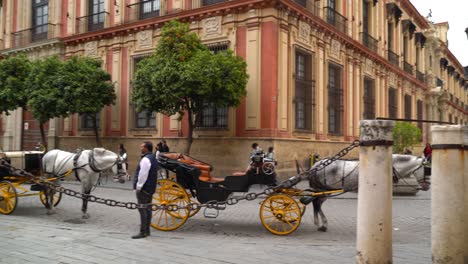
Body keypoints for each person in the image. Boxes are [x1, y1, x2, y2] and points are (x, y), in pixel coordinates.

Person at [132, 141, 158, 239]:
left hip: (144, 189)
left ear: (146, 148)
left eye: (142, 146)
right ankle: (147, 231)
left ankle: (143, 232)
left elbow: (143, 175)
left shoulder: (146, 159)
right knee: (148, 210)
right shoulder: (153, 158)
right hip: (150, 188)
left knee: (142, 210)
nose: (140, 148)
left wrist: (138, 187)